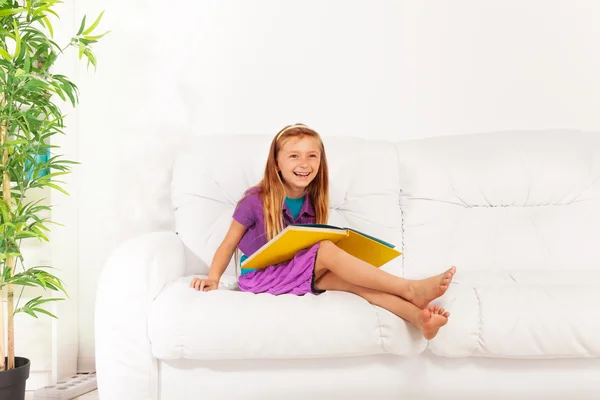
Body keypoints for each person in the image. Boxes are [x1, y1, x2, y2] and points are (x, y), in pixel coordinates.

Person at [190, 123, 456, 339]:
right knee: (326, 248)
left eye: (311, 156)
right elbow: (228, 244)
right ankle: (409, 289)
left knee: (355, 283)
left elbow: (305, 249)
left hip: (295, 271)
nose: (304, 163)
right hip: (260, 276)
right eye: (294, 156)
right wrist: (213, 279)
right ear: (276, 164)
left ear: (320, 163)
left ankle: (419, 321)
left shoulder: (312, 202)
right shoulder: (254, 201)